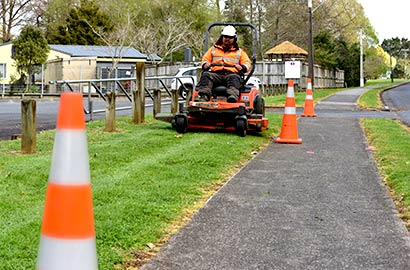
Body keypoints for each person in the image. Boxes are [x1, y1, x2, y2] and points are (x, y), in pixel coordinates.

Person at [197, 25, 252, 103]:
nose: (227, 39)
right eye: (225, 37)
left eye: (230, 37)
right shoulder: (213, 50)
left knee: (234, 78)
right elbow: (204, 60)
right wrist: (205, 64)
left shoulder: (240, 52)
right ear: (222, 37)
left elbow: (247, 63)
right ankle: (204, 96)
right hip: (216, 74)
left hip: (231, 74)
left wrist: (242, 67)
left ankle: (232, 97)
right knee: (206, 75)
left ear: (234, 39)